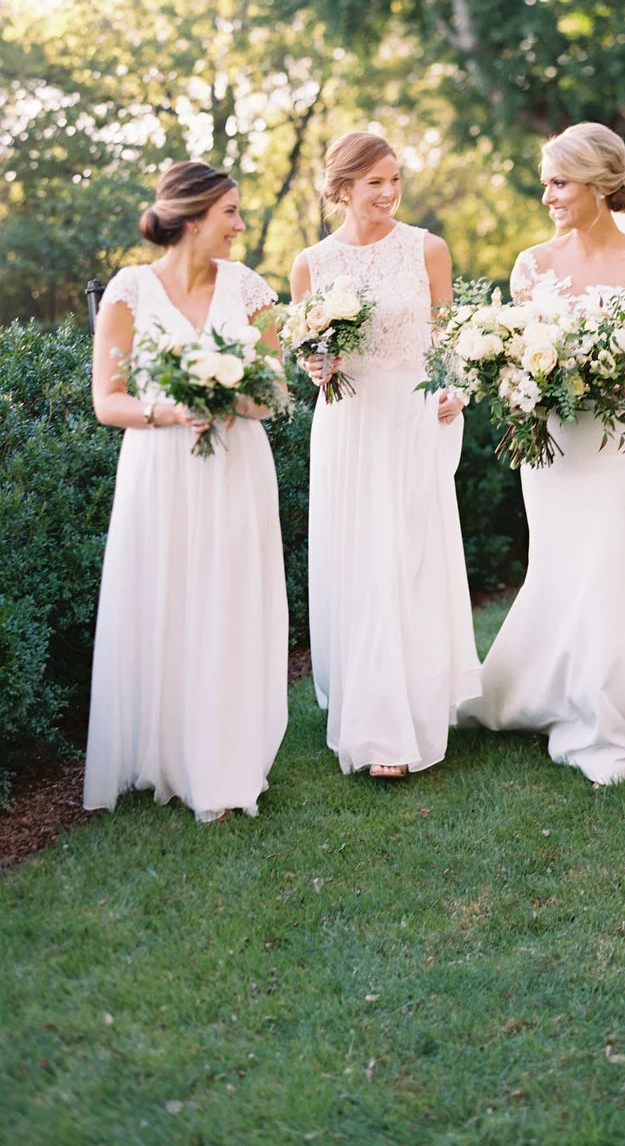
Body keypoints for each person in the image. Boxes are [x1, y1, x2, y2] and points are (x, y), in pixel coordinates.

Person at [458, 122, 625, 785]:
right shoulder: (534, 264)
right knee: (559, 571)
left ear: (600, 185)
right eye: (546, 182)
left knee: (607, 578)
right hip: (552, 452)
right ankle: (549, 696)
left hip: (617, 448)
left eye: (560, 182)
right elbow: (519, 357)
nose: (548, 194)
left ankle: (603, 724)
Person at [84, 161, 289, 822]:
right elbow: (107, 401)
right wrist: (168, 412)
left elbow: (275, 390)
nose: (240, 225)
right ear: (194, 217)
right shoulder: (130, 290)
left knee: (229, 602)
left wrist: (237, 394)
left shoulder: (249, 287)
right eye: (231, 213)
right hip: (160, 467)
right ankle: (166, 753)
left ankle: (225, 761)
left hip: (235, 463)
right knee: (168, 597)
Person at [289, 131, 480, 779]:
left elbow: (448, 340)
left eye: (396, 180)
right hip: (348, 421)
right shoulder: (310, 264)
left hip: (412, 416)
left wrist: (456, 388)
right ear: (342, 188)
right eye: (376, 183)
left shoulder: (427, 248)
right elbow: (307, 349)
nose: (390, 193)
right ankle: (378, 726)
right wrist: (317, 365)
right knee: (363, 558)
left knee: (408, 555)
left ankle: (418, 695)